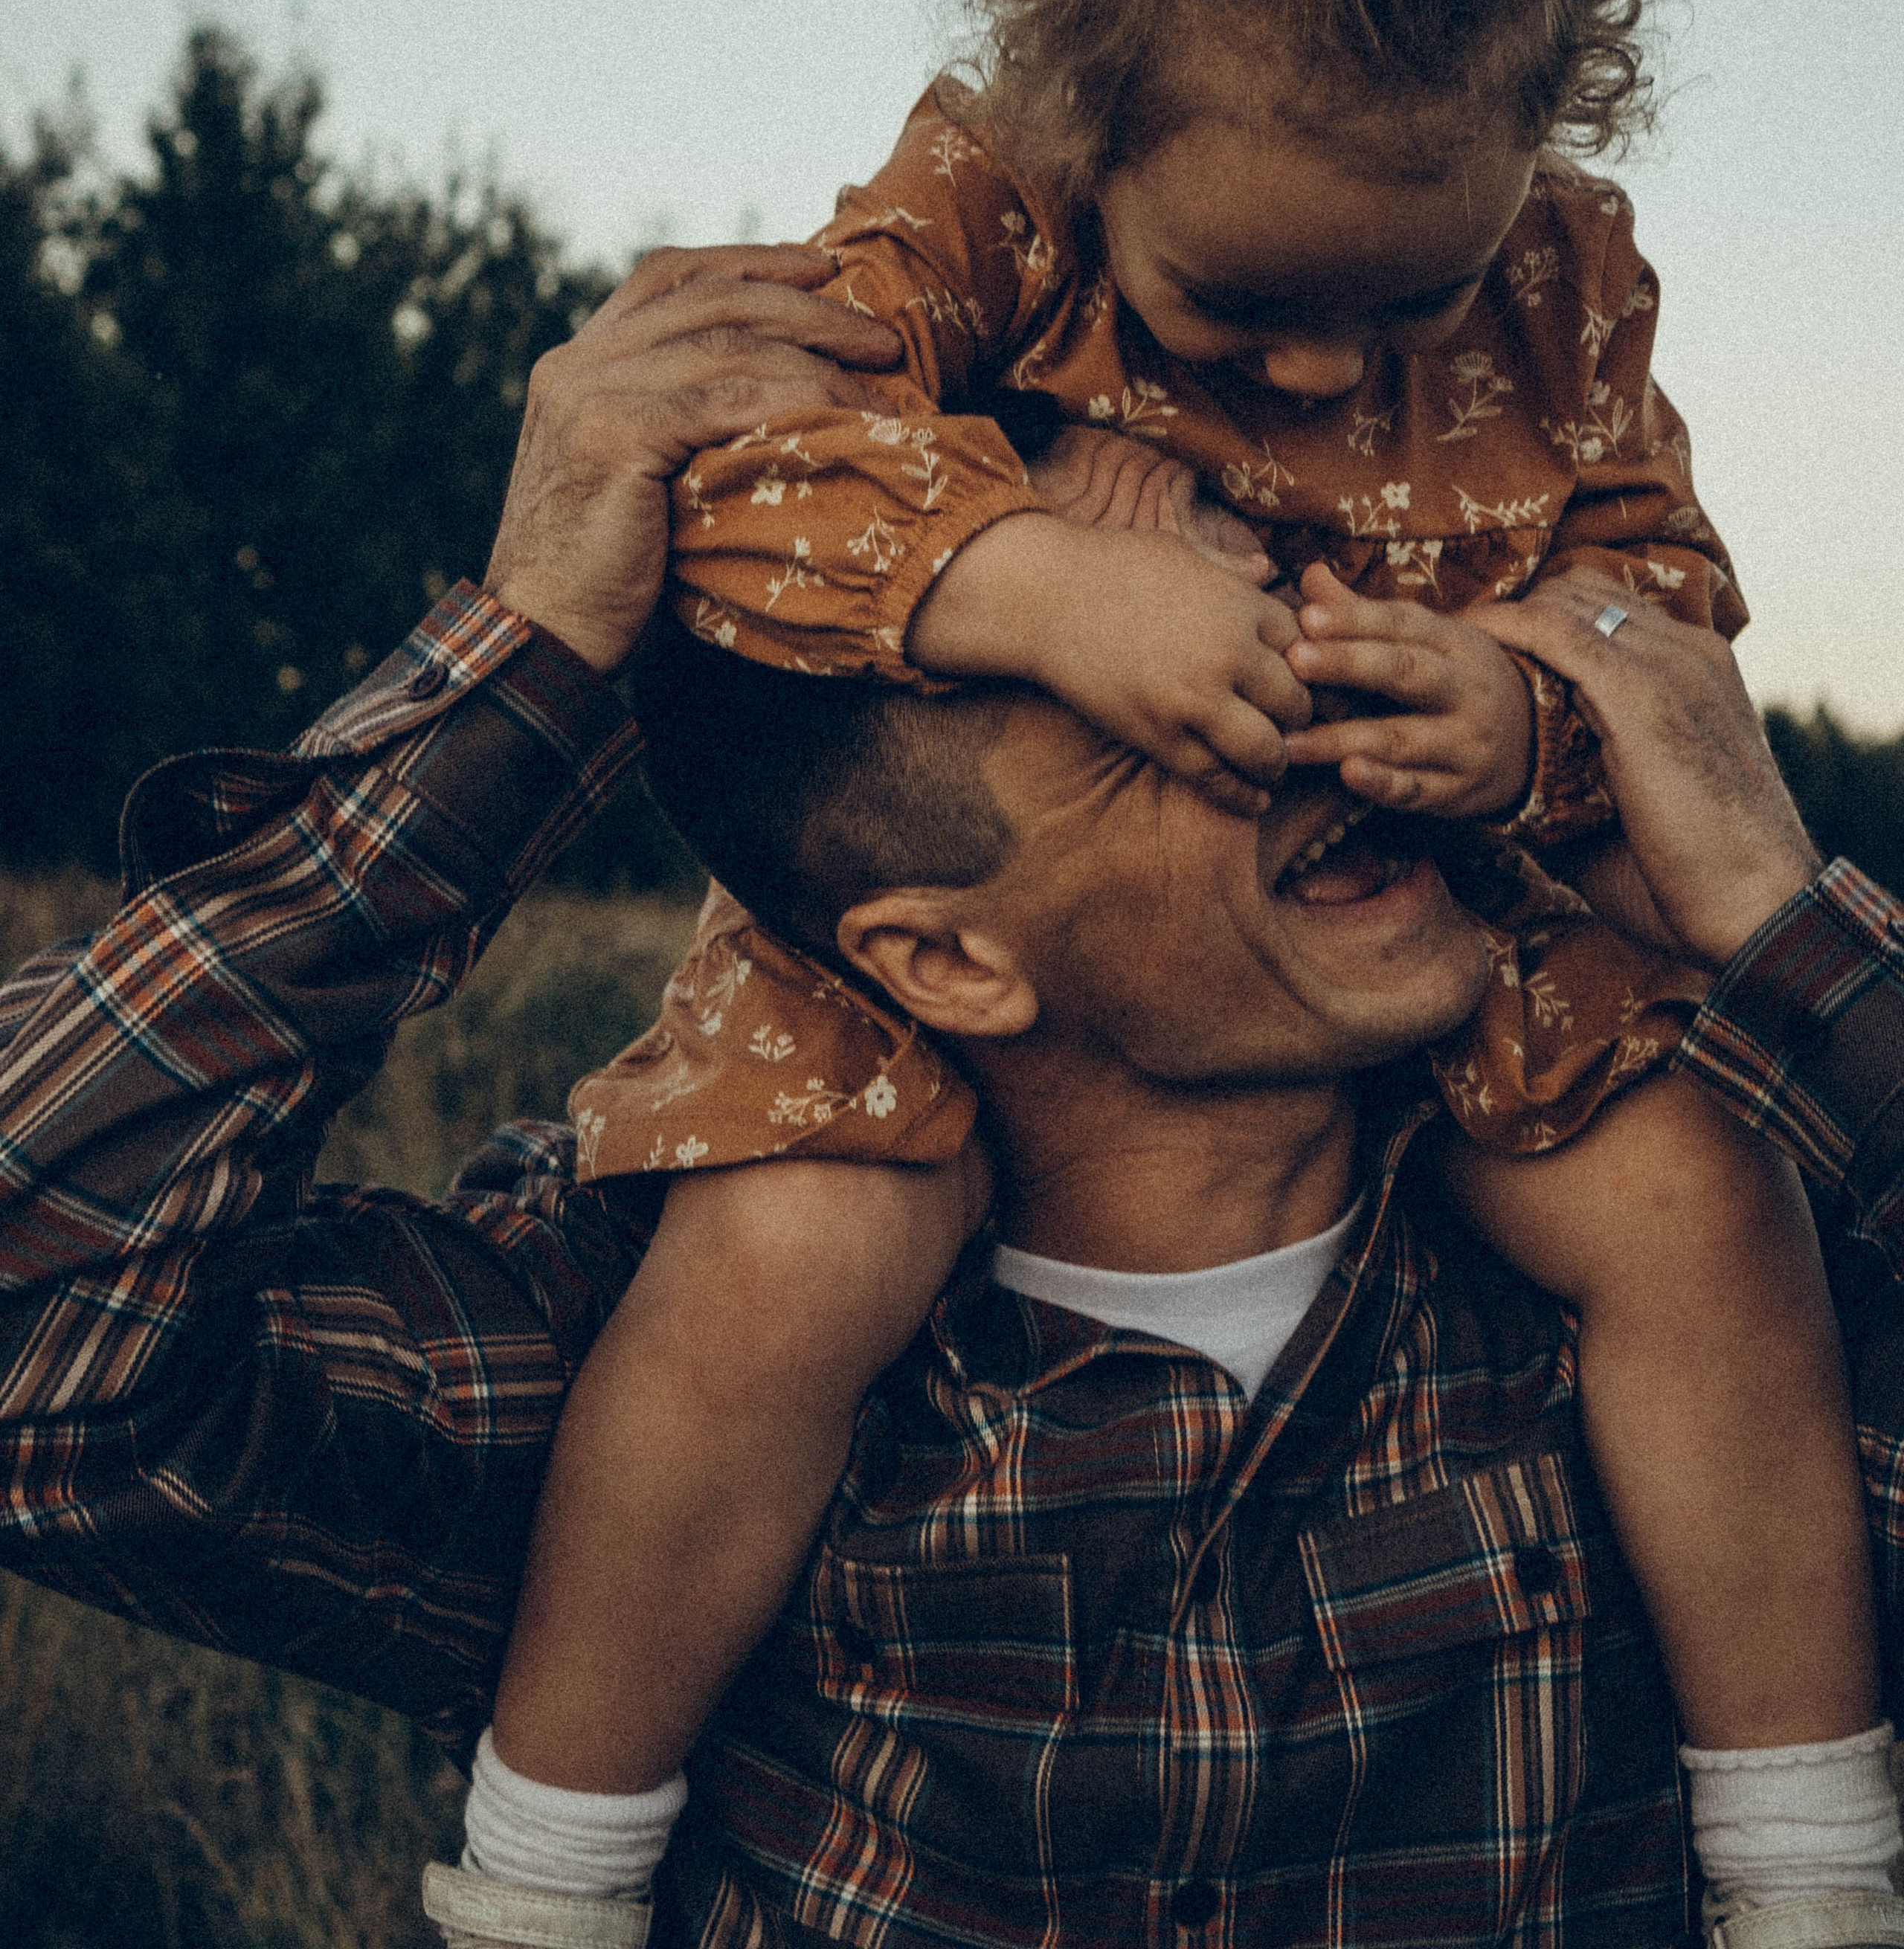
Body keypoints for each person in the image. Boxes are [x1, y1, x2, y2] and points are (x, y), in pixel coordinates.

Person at [0, 269, 1899, 1948]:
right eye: (1186, 707)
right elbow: (38, 1353)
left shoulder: (1692, 1292)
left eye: (1285, 609)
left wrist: (1779, 919)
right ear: (947, 962)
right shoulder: (671, 1365)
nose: (1323, 705)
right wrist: (524, 671)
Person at [483, 0, 1880, 1925]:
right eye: (1242, 307)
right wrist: (1036, 586)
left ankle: (1812, 1866)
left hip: (1440, 869)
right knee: (786, 1257)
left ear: (1534, 145)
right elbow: (737, 468)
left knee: (1703, 1217)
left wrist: (1526, 718)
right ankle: (545, 1871)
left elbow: (1651, 588)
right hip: (964, 888)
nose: (1331, 376)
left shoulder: (1571, 286)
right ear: (1088, 117)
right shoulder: (981, 203)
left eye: (1402, 303)